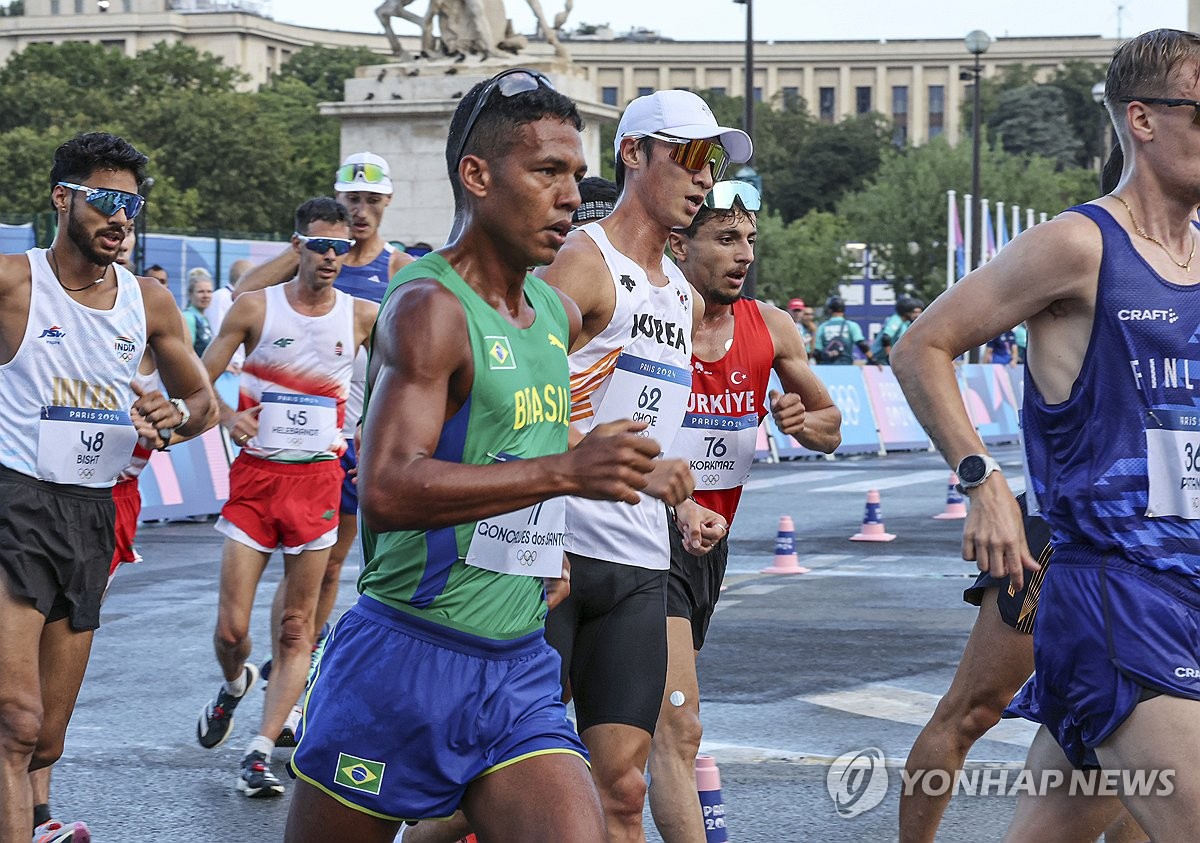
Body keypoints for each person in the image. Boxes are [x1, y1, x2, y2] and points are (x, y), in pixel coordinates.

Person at [284, 67, 659, 843]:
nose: (570, 196)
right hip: (405, 655)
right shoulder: (429, 309)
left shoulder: (552, 310)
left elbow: (521, 440)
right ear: (478, 175)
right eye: (547, 172)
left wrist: (571, 508)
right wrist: (565, 473)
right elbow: (387, 486)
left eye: (577, 175)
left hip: (517, 664)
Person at [892, 29, 1200, 841]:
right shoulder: (1081, 244)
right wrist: (982, 479)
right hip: (1114, 596)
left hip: (1186, 585)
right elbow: (921, 344)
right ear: (1142, 119)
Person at [537, 88, 751, 842]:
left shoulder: (679, 297)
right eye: (688, 156)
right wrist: (617, 470)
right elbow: (522, 408)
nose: (704, 177)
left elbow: (647, 422)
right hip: (554, 552)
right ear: (634, 154)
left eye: (712, 162)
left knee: (623, 786)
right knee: (500, 775)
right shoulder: (582, 265)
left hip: (636, 561)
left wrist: (679, 498)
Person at [0, 131, 213, 843]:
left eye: (133, 202)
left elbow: (202, 403)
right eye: (107, 200)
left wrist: (173, 417)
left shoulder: (149, 302)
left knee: (47, 738)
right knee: (15, 720)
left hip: (92, 515)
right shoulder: (14, 283)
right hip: (16, 503)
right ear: (64, 199)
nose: (122, 216)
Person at [649, 180, 842, 841]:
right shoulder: (650, 320)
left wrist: (799, 418)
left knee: (600, 727)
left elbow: (829, 424)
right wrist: (674, 496)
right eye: (726, 239)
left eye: (750, 241)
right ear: (680, 244)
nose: (743, 256)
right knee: (679, 724)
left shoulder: (771, 326)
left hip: (710, 541)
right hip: (642, 532)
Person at [195, 197, 379, 798]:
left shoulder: (360, 317)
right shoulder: (255, 307)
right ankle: (232, 685)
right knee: (232, 629)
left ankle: (258, 750)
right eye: (320, 246)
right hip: (255, 481)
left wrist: (370, 436)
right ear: (297, 246)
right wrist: (226, 413)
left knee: (298, 627)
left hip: (319, 483)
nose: (332, 257)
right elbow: (196, 375)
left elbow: (407, 377)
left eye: (342, 248)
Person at [233, 151, 417, 745]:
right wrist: (305, 245)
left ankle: (296, 674)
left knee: (333, 567)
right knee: (300, 574)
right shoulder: (312, 257)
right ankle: (288, 675)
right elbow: (242, 293)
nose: (361, 213)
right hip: (290, 445)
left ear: (388, 204)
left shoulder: (398, 268)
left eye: (371, 202)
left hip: (357, 442)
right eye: (352, 201)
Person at [899, 496, 1146, 843]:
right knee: (974, 710)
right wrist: (982, 481)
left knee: (1140, 714)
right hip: (1065, 526)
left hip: (1160, 541)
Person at [814, 295, 875, 365]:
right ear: (843, 310)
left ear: (830, 310)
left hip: (826, 367)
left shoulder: (822, 327)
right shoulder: (851, 325)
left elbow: (817, 351)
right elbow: (861, 344)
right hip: (846, 366)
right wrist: (873, 359)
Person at [872, 295, 923, 366]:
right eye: (915, 312)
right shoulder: (896, 319)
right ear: (906, 312)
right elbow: (886, 338)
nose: (918, 315)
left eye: (919, 312)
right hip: (879, 360)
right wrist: (889, 358)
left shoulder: (906, 323)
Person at [182, 266, 214, 356]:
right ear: (190, 294)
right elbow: (187, 353)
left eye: (209, 291)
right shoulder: (188, 317)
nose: (206, 296)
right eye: (201, 292)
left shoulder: (204, 318)